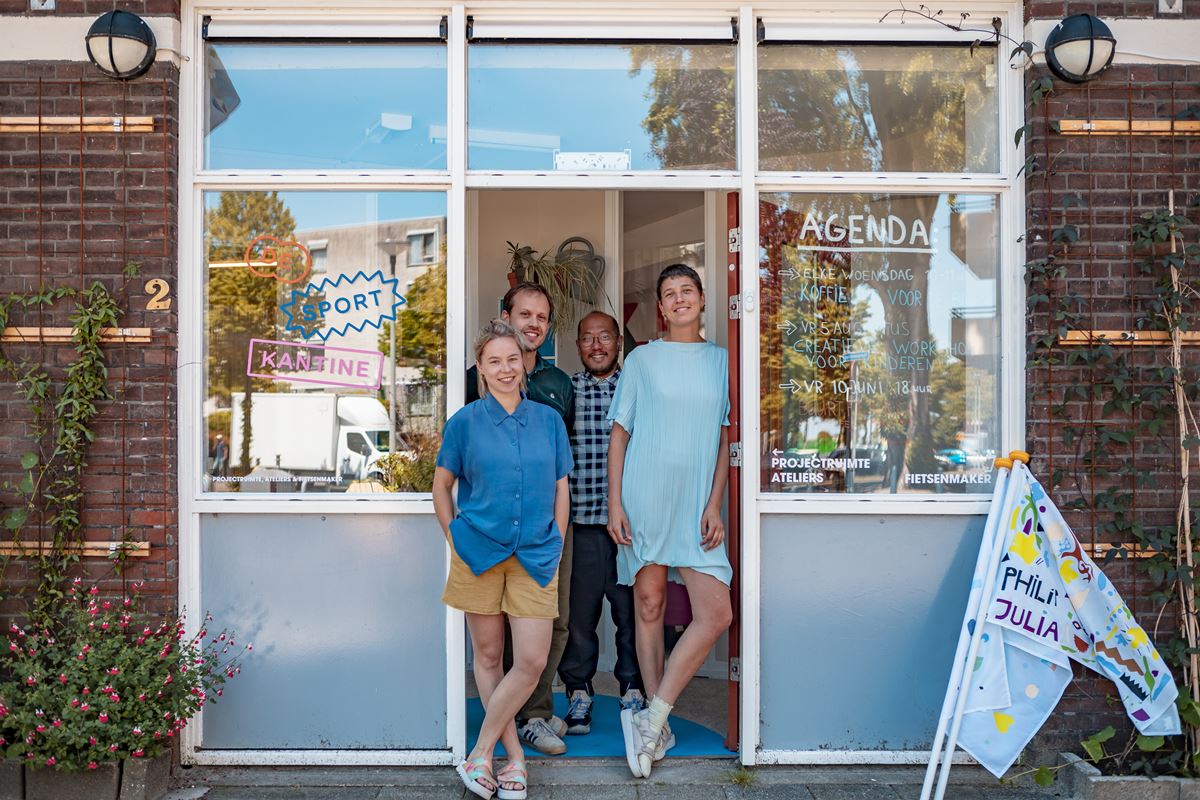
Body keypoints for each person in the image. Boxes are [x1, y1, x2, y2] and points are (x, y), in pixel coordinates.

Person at [435, 320, 572, 800]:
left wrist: (555, 539)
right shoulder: (465, 422)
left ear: (525, 363)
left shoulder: (549, 421)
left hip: (535, 554)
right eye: (494, 361)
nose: (505, 368)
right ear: (481, 368)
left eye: (512, 359)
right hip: (479, 553)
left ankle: (478, 753)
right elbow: (442, 486)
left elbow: (561, 488)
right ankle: (512, 759)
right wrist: (455, 538)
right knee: (490, 657)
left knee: (531, 661)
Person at [607, 264, 734, 779]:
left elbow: (727, 440)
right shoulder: (641, 359)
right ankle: (655, 728)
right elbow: (620, 434)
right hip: (646, 496)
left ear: (702, 299)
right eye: (669, 294)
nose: (678, 299)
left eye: (687, 291)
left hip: (696, 505)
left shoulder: (724, 362)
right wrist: (615, 502)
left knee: (716, 613)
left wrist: (715, 503)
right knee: (650, 603)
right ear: (660, 307)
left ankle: (653, 715)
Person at [465, 282, 576, 755]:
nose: (533, 323)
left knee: (554, 622)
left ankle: (535, 715)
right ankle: (509, 728)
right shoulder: (474, 377)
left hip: (544, 529)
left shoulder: (557, 384)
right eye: (524, 314)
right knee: (495, 637)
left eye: (542, 317)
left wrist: (556, 532)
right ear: (505, 316)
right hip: (489, 531)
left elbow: (558, 466)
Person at [557, 311, 644, 737]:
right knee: (579, 618)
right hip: (583, 526)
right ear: (578, 346)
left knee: (632, 615)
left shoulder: (637, 387)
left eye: (604, 337)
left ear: (618, 344)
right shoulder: (567, 391)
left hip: (631, 527)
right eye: (587, 338)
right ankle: (579, 692)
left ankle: (633, 687)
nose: (596, 345)